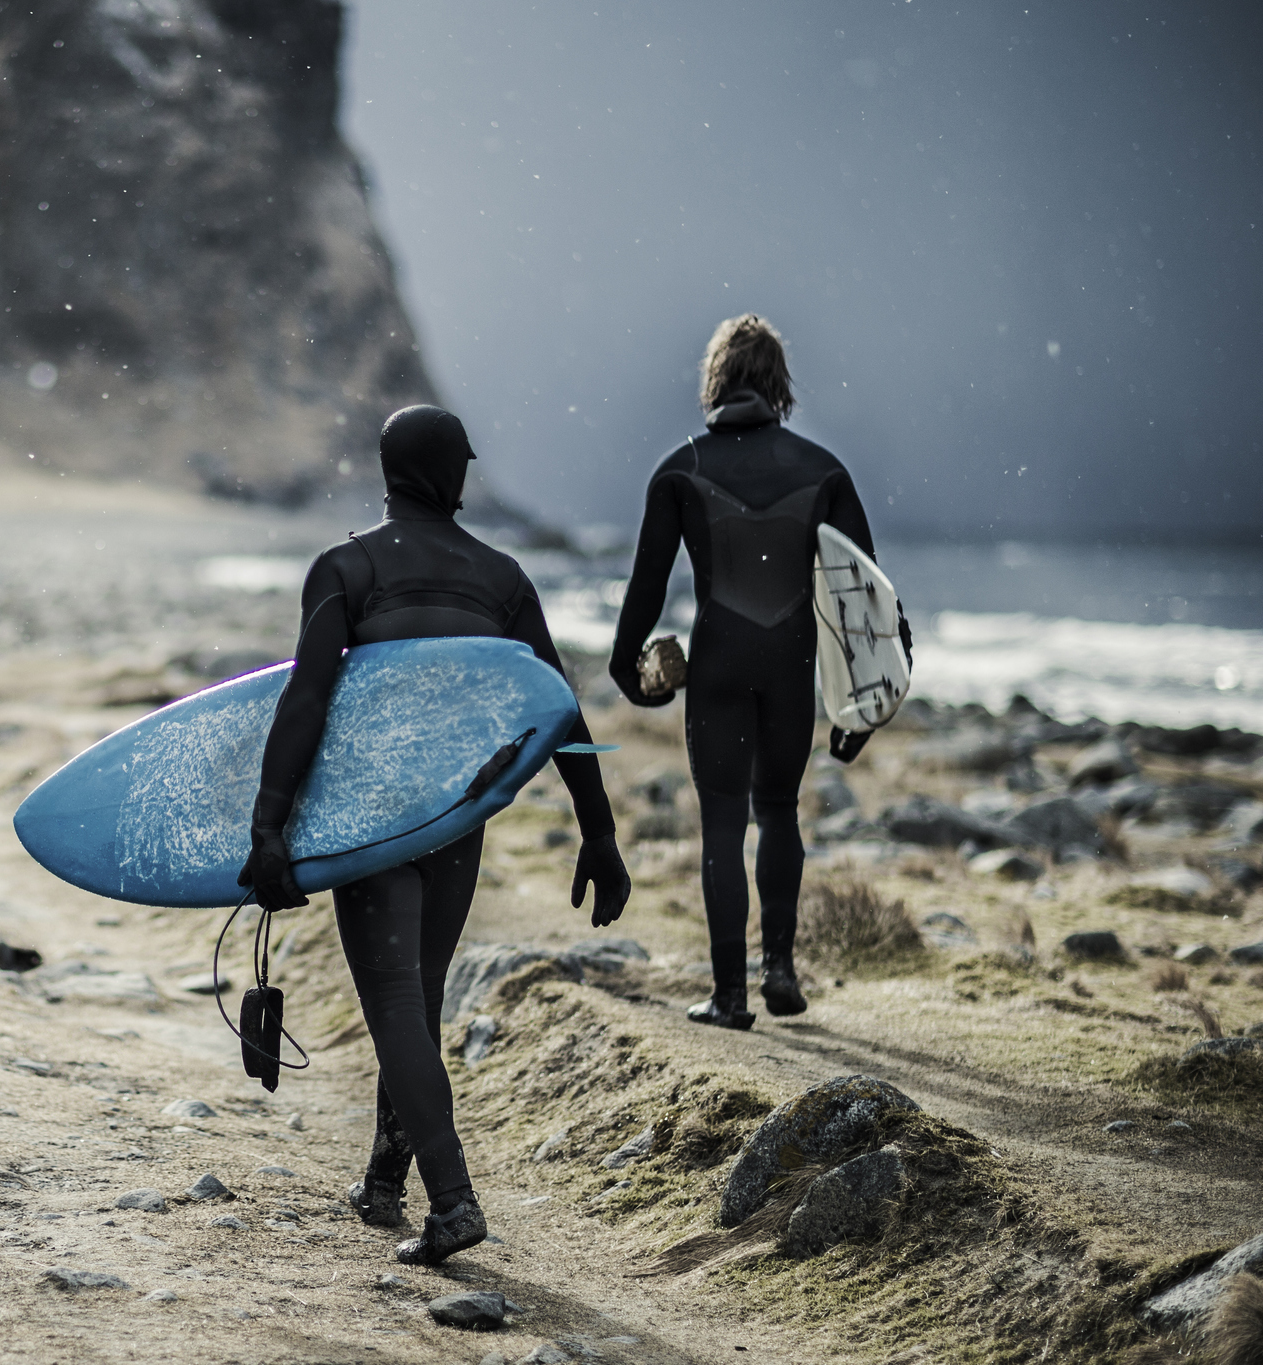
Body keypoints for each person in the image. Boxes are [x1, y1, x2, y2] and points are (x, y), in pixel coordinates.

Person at [239, 404, 630, 1266]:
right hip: (455, 822)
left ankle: (451, 1201)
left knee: (395, 1009)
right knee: (413, 1002)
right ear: (453, 474)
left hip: (373, 818)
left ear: (386, 472)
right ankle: (384, 1179)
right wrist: (597, 832)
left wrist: (270, 827)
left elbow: (305, 701)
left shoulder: (346, 565)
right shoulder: (501, 577)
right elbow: (556, 710)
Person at [608, 314, 888, 1030]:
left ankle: (729, 996)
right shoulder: (823, 471)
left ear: (714, 379)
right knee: (779, 812)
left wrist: (628, 670)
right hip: (789, 667)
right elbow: (870, 603)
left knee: (723, 825)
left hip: (718, 665)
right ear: (779, 385)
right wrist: (865, 708)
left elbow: (644, 590)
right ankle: (781, 968)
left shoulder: (680, 469)